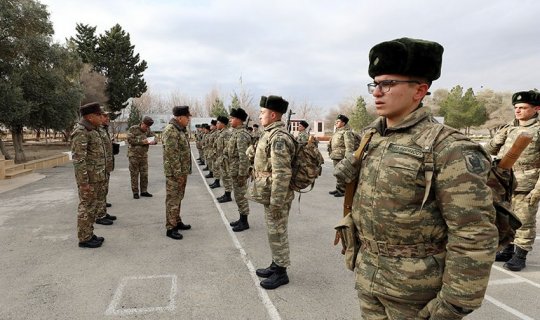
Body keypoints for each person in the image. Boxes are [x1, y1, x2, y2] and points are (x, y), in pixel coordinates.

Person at [335, 37, 498, 319]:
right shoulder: (371, 137)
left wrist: (453, 304)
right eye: (375, 83)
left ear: (419, 90)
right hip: (368, 276)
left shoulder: (449, 147)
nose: (377, 92)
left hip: (417, 292)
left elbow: (474, 233)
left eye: (388, 83)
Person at [485, 90, 540, 271]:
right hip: (504, 182)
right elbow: (489, 151)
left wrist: (537, 190)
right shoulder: (508, 127)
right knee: (504, 218)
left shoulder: (538, 130)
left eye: (523, 107)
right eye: (516, 107)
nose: (518, 111)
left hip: (527, 183)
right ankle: (507, 249)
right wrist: (497, 139)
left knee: (524, 220)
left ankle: (520, 255)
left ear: (536, 109)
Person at [249, 95, 295, 290]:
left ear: (273, 114)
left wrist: (277, 202)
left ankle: (281, 272)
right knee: (273, 231)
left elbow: (282, 173)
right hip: (270, 192)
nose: (260, 117)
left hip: (277, 195)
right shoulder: (269, 134)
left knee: (278, 232)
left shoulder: (278, 138)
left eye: (262, 113)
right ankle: (276, 263)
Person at [71, 102, 107, 248]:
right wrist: (83, 182)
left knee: (92, 207)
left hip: (96, 177)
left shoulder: (93, 129)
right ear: (90, 117)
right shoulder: (81, 132)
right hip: (89, 179)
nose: (101, 117)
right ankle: (84, 239)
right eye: (99, 115)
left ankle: (89, 234)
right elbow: (79, 160)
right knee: (86, 207)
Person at [162, 106, 193, 240]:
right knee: (172, 200)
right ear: (180, 118)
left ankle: (177, 220)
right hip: (175, 173)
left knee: (178, 198)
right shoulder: (171, 131)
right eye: (187, 117)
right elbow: (172, 155)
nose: (189, 120)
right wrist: (178, 173)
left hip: (181, 171)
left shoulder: (179, 130)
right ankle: (171, 228)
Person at [227, 108, 252, 231]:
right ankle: (241, 218)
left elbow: (244, 157)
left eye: (232, 118)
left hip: (239, 172)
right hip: (235, 170)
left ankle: (244, 222)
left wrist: (242, 174)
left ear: (238, 120)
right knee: (238, 195)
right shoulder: (236, 133)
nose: (230, 120)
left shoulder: (241, 135)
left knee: (241, 196)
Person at [94, 110, 117, 225]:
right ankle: (99, 215)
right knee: (100, 191)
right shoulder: (97, 129)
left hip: (106, 165)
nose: (107, 118)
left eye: (108, 116)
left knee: (104, 190)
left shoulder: (104, 129)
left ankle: (103, 211)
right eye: (104, 116)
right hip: (100, 166)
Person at [127, 116, 157, 199]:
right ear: (142, 123)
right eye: (146, 126)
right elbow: (130, 140)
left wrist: (154, 141)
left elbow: (154, 137)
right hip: (134, 156)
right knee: (134, 174)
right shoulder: (133, 129)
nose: (147, 128)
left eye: (148, 127)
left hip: (143, 156)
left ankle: (144, 191)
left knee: (144, 174)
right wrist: (141, 141)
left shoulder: (148, 130)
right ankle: (135, 192)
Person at [328, 114, 355, 197]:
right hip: (336, 156)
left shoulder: (346, 132)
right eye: (336, 121)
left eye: (338, 121)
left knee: (341, 174)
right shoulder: (337, 131)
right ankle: (338, 188)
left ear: (343, 123)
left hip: (342, 157)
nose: (336, 122)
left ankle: (343, 190)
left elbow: (349, 147)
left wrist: (348, 158)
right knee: (338, 174)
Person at [213, 116, 233, 202]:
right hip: (221, 158)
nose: (216, 124)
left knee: (227, 177)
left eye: (218, 123)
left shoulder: (227, 133)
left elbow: (229, 148)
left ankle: (228, 196)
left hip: (225, 159)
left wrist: (225, 158)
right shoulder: (221, 133)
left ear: (223, 124)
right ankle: (226, 193)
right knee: (224, 177)